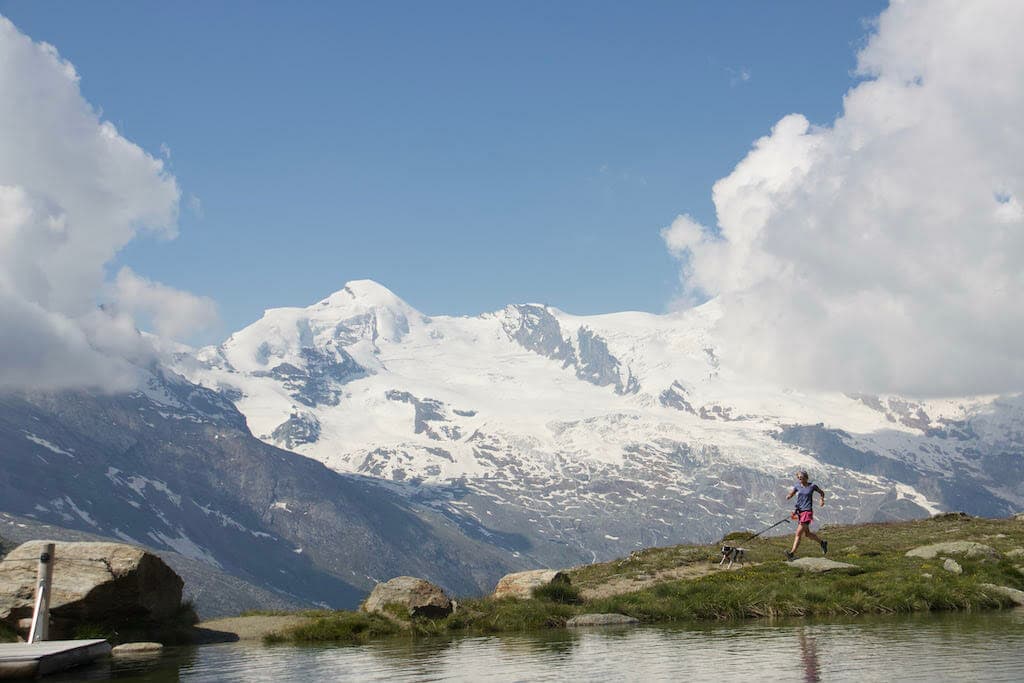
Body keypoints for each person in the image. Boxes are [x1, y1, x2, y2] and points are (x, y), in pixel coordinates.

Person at [785, 470, 827, 560]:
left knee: (798, 533)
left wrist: (822, 500)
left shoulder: (812, 486)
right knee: (807, 534)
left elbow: (821, 492)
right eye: (799, 478)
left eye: (802, 477)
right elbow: (792, 493)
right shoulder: (797, 486)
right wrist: (789, 496)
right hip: (799, 511)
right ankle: (822, 543)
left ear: (806, 477)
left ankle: (792, 553)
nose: (800, 479)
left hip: (807, 512)